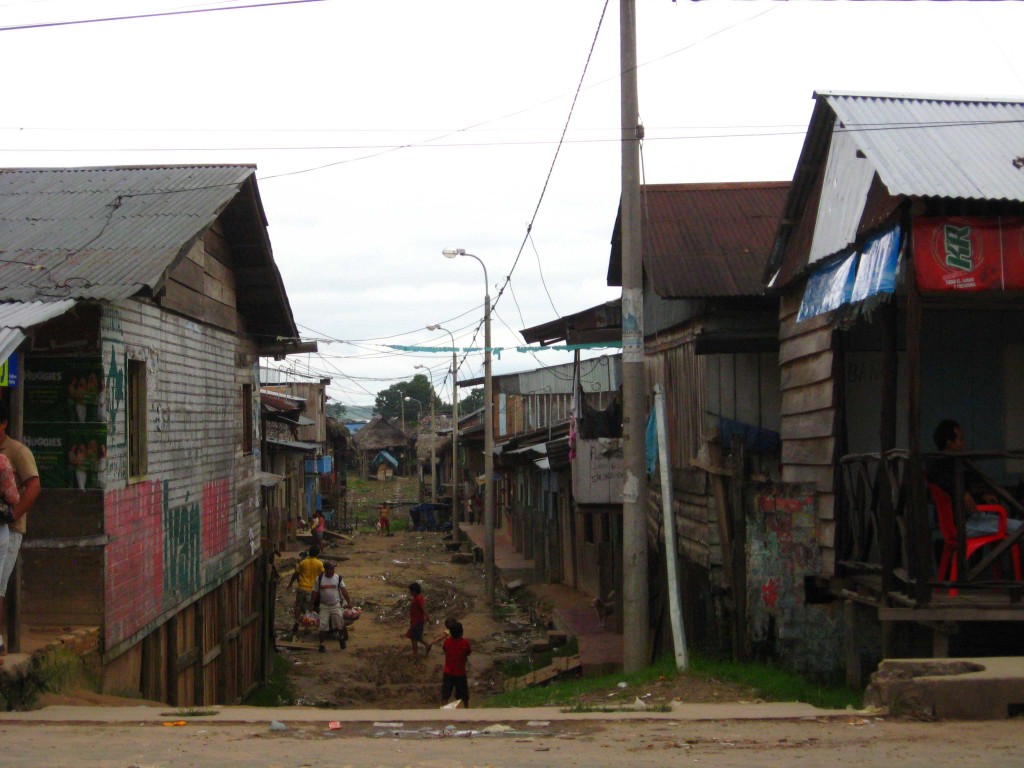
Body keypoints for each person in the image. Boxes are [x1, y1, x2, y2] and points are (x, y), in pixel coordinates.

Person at [927, 419, 1023, 538]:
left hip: (970, 520)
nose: (964, 443)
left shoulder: (957, 463)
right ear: (950, 443)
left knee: (1013, 525)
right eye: (961, 439)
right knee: (1019, 527)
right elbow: (941, 479)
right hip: (965, 524)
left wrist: (982, 495)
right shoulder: (938, 465)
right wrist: (964, 494)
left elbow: (971, 482)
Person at [0, 398, 40, 662]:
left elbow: (33, 486)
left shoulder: (16, 452)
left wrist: (13, 515)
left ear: (3, 424)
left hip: (9, 529)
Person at [312, 561, 353, 653]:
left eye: (334, 568)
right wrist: (311, 605)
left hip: (336, 605)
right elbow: (314, 593)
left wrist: (349, 602)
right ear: (326, 570)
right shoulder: (319, 579)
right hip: (324, 605)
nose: (333, 570)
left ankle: (341, 638)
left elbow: (344, 591)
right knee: (322, 626)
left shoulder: (338, 578)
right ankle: (322, 644)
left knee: (340, 624)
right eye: (331, 569)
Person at [288, 546, 324, 634]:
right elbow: (323, 576)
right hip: (312, 589)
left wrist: (290, 584)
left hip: (301, 587)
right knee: (309, 608)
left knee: (298, 606)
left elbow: (296, 574)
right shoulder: (319, 564)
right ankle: (307, 626)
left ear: (309, 553)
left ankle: (296, 621)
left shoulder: (303, 562)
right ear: (317, 554)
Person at [440, 620, 471, 708]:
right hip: (460, 672)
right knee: (464, 694)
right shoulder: (465, 643)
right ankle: (466, 709)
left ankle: (443, 709)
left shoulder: (447, 642)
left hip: (448, 671)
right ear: (461, 632)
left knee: (445, 694)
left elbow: (445, 649)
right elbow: (468, 652)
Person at [405, 581, 431, 656]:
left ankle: (415, 653)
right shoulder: (417, 598)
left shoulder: (418, 599)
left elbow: (423, 609)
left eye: (410, 591)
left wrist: (428, 618)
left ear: (414, 591)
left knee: (413, 637)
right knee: (417, 637)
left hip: (417, 621)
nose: (410, 592)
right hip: (416, 620)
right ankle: (427, 645)